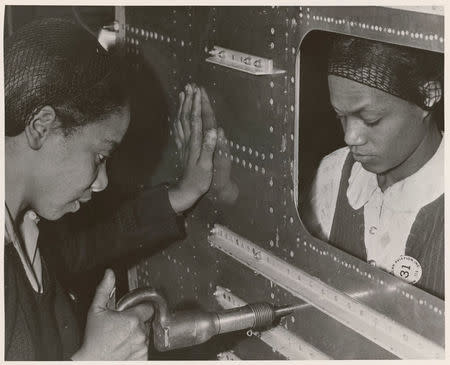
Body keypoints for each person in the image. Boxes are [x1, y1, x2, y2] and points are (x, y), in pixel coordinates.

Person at [4, 18, 225, 360]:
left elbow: (85, 246)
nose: (102, 180)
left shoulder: (23, 224)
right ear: (42, 126)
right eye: (100, 156)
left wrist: (183, 194)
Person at [302, 35, 444, 299]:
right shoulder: (332, 173)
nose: (350, 137)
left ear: (428, 96)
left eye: (371, 119)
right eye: (341, 117)